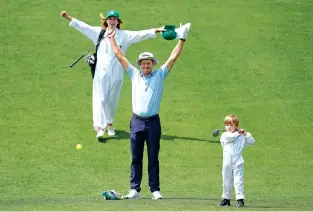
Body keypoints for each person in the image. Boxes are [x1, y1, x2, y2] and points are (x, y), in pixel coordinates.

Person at [108, 23, 191, 199]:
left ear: (152, 64)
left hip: (153, 121)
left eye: (148, 63)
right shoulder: (134, 74)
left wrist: (182, 38)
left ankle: (155, 190)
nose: (146, 66)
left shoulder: (160, 74)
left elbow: (173, 58)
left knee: (153, 157)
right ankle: (134, 190)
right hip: (137, 121)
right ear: (140, 65)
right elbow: (119, 55)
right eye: (143, 63)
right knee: (136, 157)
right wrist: (112, 38)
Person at [60, 10, 165, 140]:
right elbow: (83, 26)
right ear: (106, 21)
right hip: (101, 73)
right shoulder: (98, 33)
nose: (112, 21)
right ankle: (100, 128)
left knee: (112, 100)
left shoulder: (125, 35)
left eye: (114, 19)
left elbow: (141, 34)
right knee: (101, 99)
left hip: (117, 74)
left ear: (118, 21)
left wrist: (157, 30)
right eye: (110, 19)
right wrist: (67, 17)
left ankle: (110, 125)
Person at [218, 114, 256, 207]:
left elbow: (252, 142)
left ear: (236, 126)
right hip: (227, 162)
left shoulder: (241, 136)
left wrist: (245, 134)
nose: (229, 127)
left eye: (231, 125)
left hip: (238, 161)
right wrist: (237, 133)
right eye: (227, 125)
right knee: (226, 180)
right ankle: (226, 199)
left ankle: (240, 199)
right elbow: (230, 138)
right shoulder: (224, 135)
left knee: (238, 180)